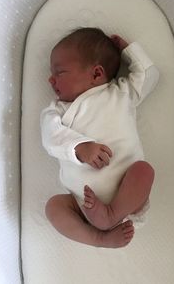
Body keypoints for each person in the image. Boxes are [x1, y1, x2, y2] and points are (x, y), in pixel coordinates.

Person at [40, 27, 159, 248]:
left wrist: (128, 51)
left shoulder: (120, 93)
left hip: (127, 194)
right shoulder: (57, 110)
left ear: (96, 74)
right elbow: (50, 136)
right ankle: (98, 237)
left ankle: (112, 214)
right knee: (54, 207)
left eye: (59, 72)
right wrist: (79, 147)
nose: (50, 79)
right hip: (81, 202)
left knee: (144, 171)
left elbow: (149, 75)